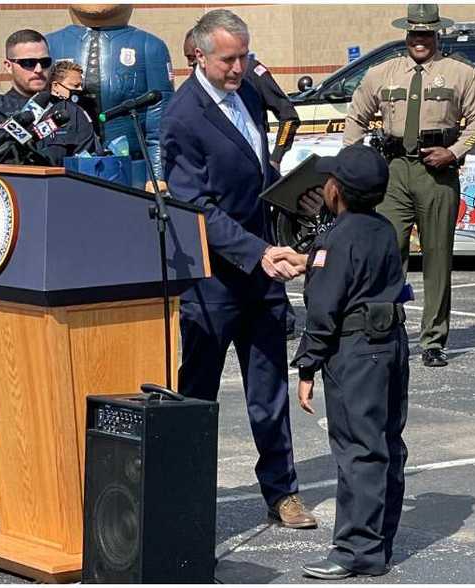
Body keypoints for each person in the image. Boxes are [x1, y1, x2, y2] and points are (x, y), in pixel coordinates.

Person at [160, 9, 317, 530]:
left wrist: (295, 195)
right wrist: (255, 251)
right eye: (229, 58)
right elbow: (196, 205)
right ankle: (183, 493)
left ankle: (282, 493)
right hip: (213, 279)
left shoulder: (249, 92)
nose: (239, 67)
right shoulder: (183, 116)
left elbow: (260, 168)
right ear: (199, 56)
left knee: (269, 387)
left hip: (263, 269)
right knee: (198, 393)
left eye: (244, 56)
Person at [342, 4, 475, 368]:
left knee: (437, 257)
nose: (419, 40)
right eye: (414, 33)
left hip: (437, 173)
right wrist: (352, 164)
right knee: (387, 252)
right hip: (393, 171)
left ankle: (433, 340)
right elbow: (356, 115)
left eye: (426, 33)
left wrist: (455, 151)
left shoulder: (460, 73)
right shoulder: (384, 72)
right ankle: (387, 329)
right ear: (406, 34)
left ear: (437, 34)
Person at [291, 145, 409, 580]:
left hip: (355, 350)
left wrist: (307, 366)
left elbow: (323, 309)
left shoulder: (335, 239)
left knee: (358, 450)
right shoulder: (383, 228)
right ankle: (378, 545)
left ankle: (354, 550)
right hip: (391, 342)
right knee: (386, 445)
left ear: (335, 189)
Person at [184, 30, 304, 340]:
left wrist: (275, 159)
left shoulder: (250, 76)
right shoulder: (189, 105)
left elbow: (288, 117)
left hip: (261, 190)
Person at [47, 4, 174, 190]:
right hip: (64, 172)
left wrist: (157, 176)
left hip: (131, 174)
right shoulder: (48, 45)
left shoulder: (150, 46)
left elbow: (160, 125)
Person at [0, 29, 99, 165]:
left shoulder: (71, 113)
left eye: (44, 62)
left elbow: (88, 171)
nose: (38, 69)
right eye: (28, 63)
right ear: (9, 66)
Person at [183, 30, 301, 170]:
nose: (190, 64)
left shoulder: (251, 72)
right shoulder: (192, 93)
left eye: (192, 58)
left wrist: (275, 158)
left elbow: (288, 116)